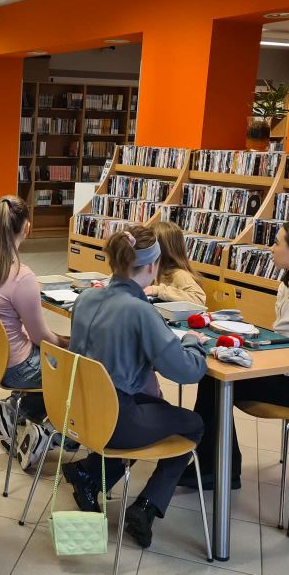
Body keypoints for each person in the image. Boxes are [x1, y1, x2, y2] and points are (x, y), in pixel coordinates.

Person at [64, 225, 208, 548]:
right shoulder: (140, 311)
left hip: (79, 412)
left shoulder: (86, 298)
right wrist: (192, 343)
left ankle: (89, 473)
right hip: (116, 420)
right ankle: (146, 507)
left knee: (152, 412)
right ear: (154, 267)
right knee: (192, 424)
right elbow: (186, 371)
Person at [181, 219, 289, 490]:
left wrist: (273, 364)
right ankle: (218, 465)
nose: (270, 248)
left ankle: (219, 467)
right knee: (212, 379)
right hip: (285, 368)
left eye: (277, 242)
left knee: (216, 383)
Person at [0, 196, 68, 470]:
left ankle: (14, 409)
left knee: (52, 361)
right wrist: (68, 344)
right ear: (27, 228)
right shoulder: (22, 276)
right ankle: (46, 433)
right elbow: (42, 339)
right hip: (14, 367)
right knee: (75, 369)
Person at [144, 221, 207, 305]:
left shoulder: (180, 274)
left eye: (151, 245)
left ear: (163, 248)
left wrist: (157, 290)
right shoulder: (154, 269)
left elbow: (199, 299)